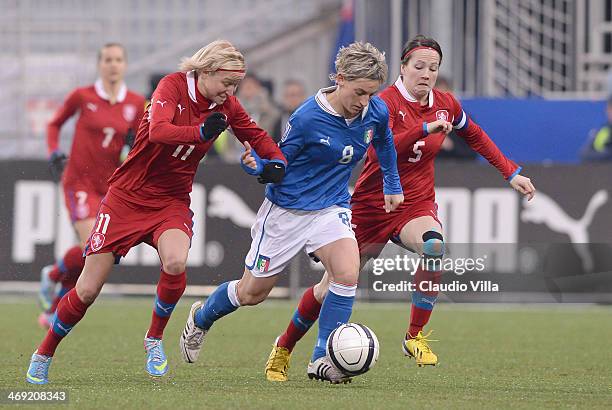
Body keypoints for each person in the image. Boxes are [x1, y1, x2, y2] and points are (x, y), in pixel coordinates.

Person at [264, 34, 536, 382]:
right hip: (370, 206)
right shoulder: (381, 102)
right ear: (403, 67)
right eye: (419, 66)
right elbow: (378, 150)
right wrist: (423, 128)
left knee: (434, 247)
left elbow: (476, 135)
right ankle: (284, 347)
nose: (426, 74)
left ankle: (414, 337)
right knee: (329, 286)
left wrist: (510, 172)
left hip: (414, 204)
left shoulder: (446, 104)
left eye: (433, 68)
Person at [25, 40, 285, 385]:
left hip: (171, 201)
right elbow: (160, 130)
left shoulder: (227, 106)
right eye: (226, 83)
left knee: (176, 262)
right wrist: (199, 132)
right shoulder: (173, 85)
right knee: (87, 290)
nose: (230, 91)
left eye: (235, 85)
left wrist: (276, 164)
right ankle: (43, 353)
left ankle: (154, 340)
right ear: (206, 72)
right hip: (126, 198)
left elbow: (257, 136)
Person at [179, 41, 404, 384]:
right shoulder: (307, 118)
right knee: (251, 293)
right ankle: (202, 317)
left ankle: (322, 358)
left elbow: (384, 141)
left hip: (331, 206)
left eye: (371, 94)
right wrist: (260, 167)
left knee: (346, 272)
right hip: (287, 209)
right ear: (340, 79)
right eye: (359, 92)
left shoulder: (375, 111)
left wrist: (392, 183)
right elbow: (278, 161)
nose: (364, 102)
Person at [39, 43, 145, 329]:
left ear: (125, 65)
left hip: (111, 187)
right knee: (92, 247)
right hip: (79, 182)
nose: (113, 65)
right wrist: (53, 151)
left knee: (95, 256)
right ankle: (52, 280)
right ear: (100, 64)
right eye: (108, 59)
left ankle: (52, 301)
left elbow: (139, 139)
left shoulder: (136, 103)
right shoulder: (82, 96)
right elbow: (54, 125)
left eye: (118, 60)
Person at [434, 76, 477, 161]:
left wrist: (451, 146)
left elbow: (472, 154)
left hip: (457, 170)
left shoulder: (463, 121)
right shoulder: (422, 120)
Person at [580, 96, 612, 161]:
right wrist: (608, 154)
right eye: (609, 109)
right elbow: (584, 154)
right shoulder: (605, 130)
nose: (609, 112)